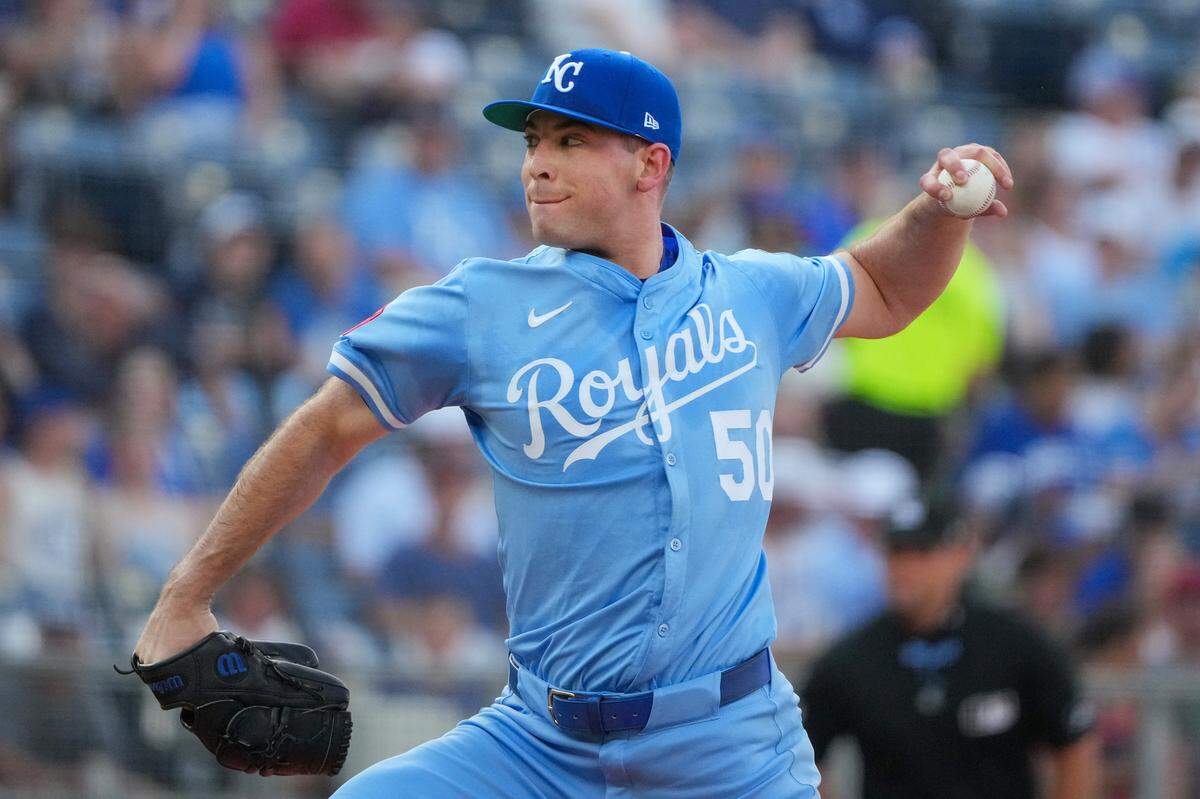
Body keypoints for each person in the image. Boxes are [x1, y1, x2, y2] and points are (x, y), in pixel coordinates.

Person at [131, 48, 1014, 797]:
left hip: (730, 751)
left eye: (570, 140)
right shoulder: (480, 306)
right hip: (538, 746)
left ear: (650, 165)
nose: (537, 164)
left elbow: (885, 284)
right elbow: (325, 428)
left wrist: (937, 213)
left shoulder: (749, 293)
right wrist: (184, 596)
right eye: (533, 141)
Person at [801, 500, 1099, 799]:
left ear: (960, 555)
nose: (905, 569)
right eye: (895, 554)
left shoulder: (1015, 643)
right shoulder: (853, 658)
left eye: (921, 554)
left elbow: (1074, 742)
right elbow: (802, 753)